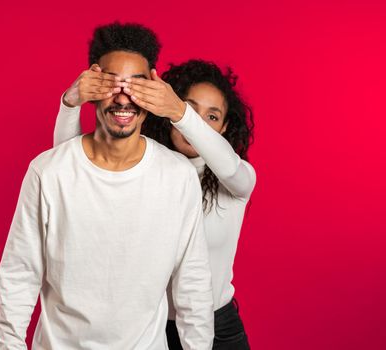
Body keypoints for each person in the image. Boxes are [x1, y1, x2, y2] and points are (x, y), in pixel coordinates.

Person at [0, 23, 214, 350]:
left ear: (153, 88)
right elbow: (19, 275)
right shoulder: (47, 172)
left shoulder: (178, 176)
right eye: (111, 83)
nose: (124, 97)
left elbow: (193, 284)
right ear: (92, 84)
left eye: (137, 85)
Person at [54, 59, 255, 349]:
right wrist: (70, 104)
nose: (196, 122)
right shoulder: (142, 171)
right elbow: (67, 169)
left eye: (211, 117)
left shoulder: (237, 180)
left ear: (223, 128)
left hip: (216, 328)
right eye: (190, 108)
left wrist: (181, 112)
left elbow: (231, 168)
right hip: (147, 328)